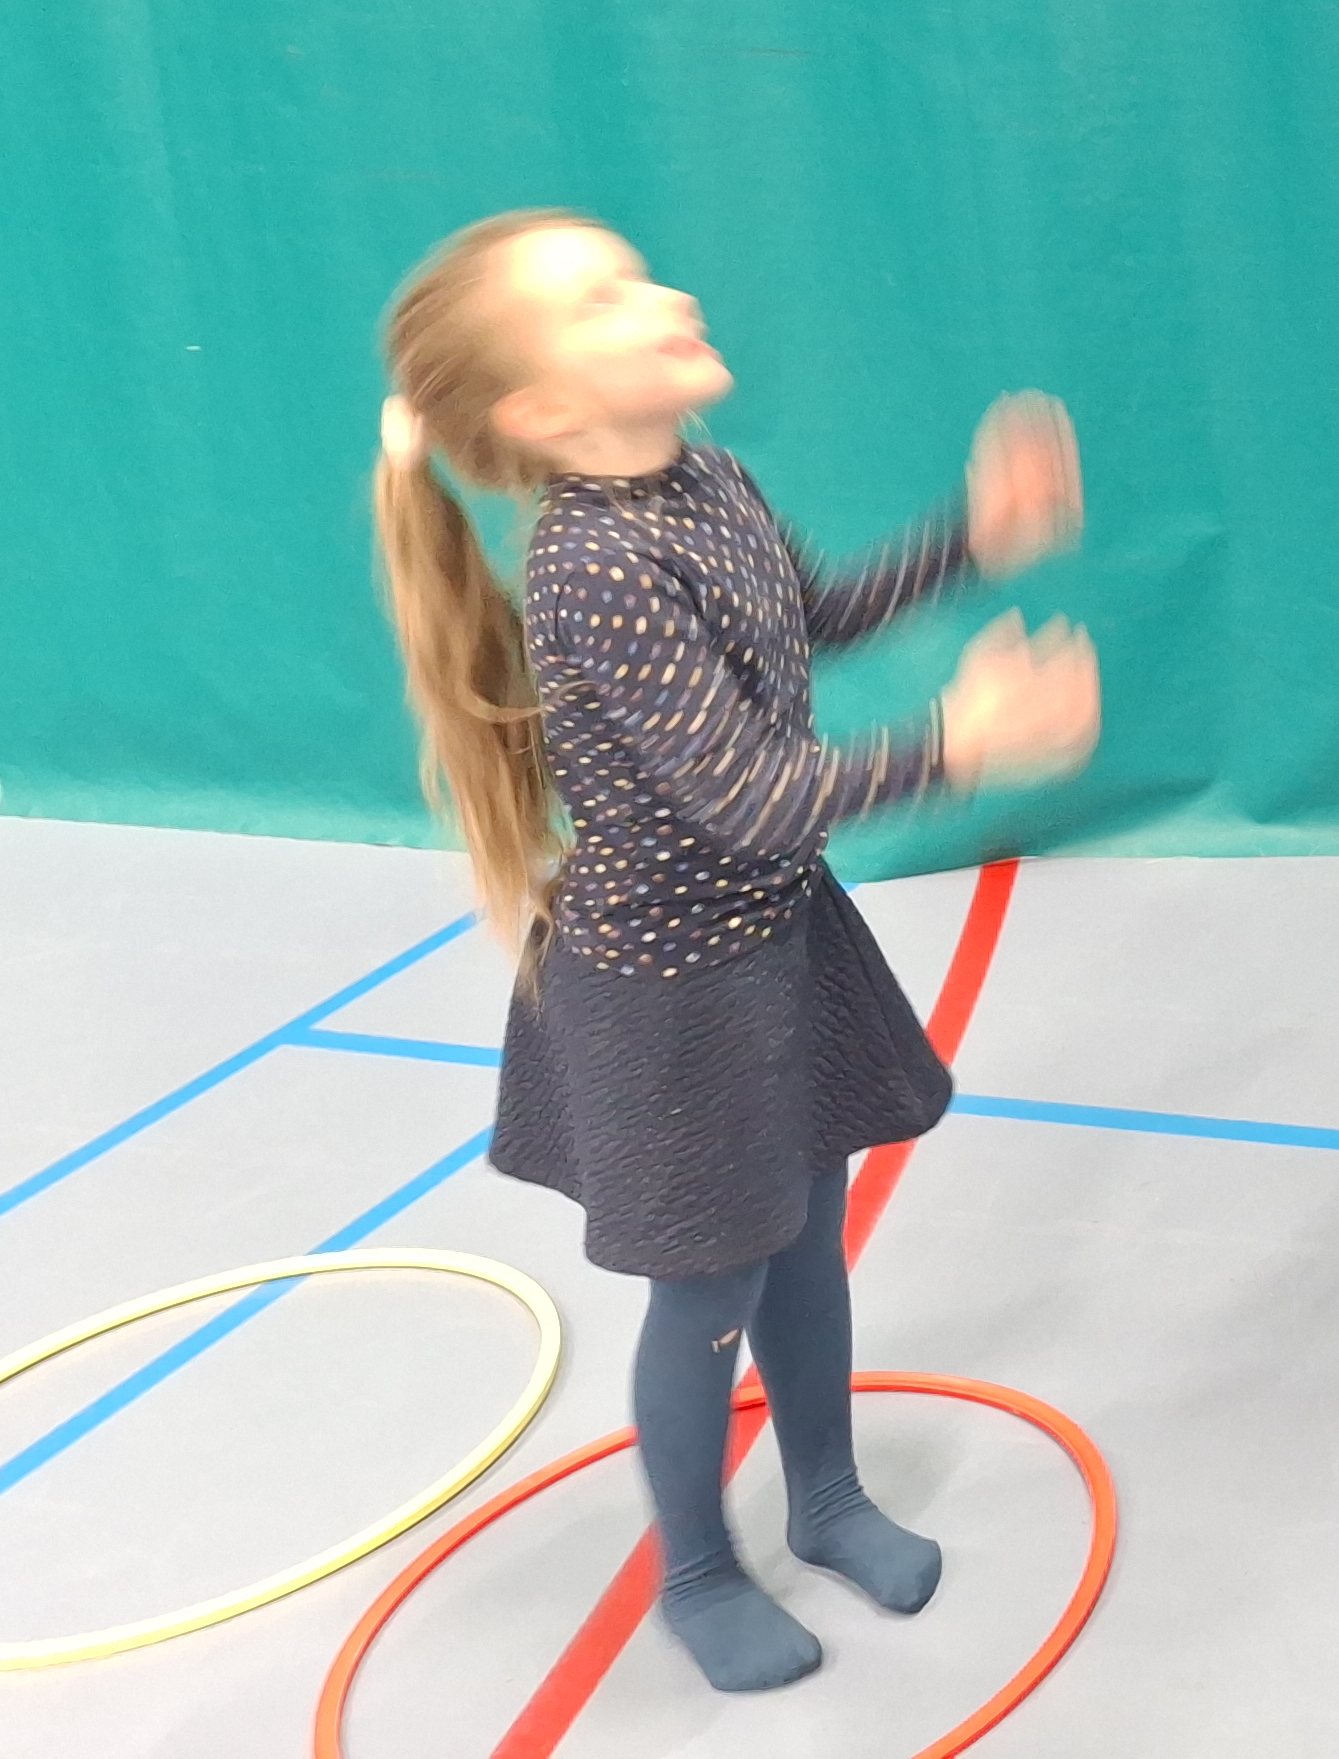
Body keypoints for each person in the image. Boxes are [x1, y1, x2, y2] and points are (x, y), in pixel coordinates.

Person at [372, 209, 1101, 1684]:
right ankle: (697, 1573)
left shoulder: (708, 478)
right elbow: (752, 799)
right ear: (544, 414)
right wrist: (958, 742)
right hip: (672, 1000)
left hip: (776, 944)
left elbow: (813, 613)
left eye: (636, 270)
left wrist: (972, 537)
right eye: (603, 299)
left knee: (809, 1240)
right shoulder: (594, 561)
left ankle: (826, 1498)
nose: (664, 293)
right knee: (711, 1288)